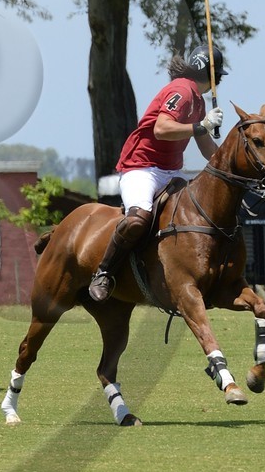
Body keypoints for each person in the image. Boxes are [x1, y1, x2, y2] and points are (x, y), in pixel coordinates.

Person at [87, 48, 226, 303]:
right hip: (141, 166)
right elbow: (162, 129)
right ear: (212, 75)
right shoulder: (182, 91)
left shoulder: (198, 101)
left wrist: (229, 166)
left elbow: (207, 148)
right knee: (139, 219)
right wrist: (201, 125)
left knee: (195, 214)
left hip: (171, 170)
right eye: (220, 77)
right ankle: (104, 272)